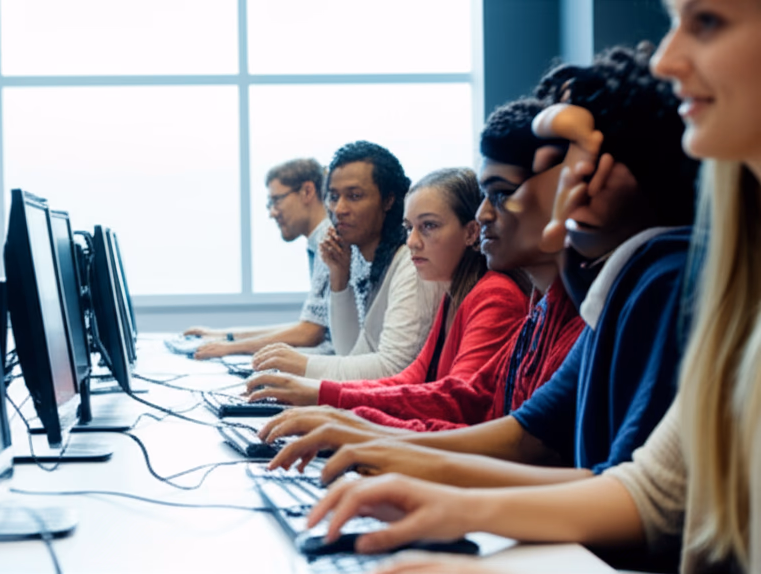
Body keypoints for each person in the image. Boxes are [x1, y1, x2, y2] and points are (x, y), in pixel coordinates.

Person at [306, 2, 761, 571]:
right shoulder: (617, 290)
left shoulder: (662, 280)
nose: (668, 58)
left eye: (708, 21)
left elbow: (632, 510)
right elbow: (643, 490)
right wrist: (433, 490)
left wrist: (393, 455)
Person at [263, 44, 699, 492]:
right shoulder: (561, 302)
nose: (485, 214)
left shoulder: (657, 283)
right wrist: (363, 432)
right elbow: (514, 427)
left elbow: (570, 468)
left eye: (563, 169)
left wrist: (377, 442)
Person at [244, 100, 577, 419]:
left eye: (428, 226)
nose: (339, 209)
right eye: (409, 228)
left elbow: (456, 405)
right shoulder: (455, 294)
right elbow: (386, 370)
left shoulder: (490, 293)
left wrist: (332, 405)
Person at [251, 141, 444, 380]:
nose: (339, 208)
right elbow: (350, 353)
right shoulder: (370, 261)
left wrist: (300, 365)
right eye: (333, 197)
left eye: (354, 196)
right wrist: (339, 278)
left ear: (388, 200)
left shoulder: (410, 263)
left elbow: (392, 368)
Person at [185, 158, 333, 359]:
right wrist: (225, 336)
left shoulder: (329, 241)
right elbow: (308, 325)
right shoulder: (317, 243)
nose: (272, 212)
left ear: (307, 191)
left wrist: (231, 348)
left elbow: (310, 333)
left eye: (277, 200)